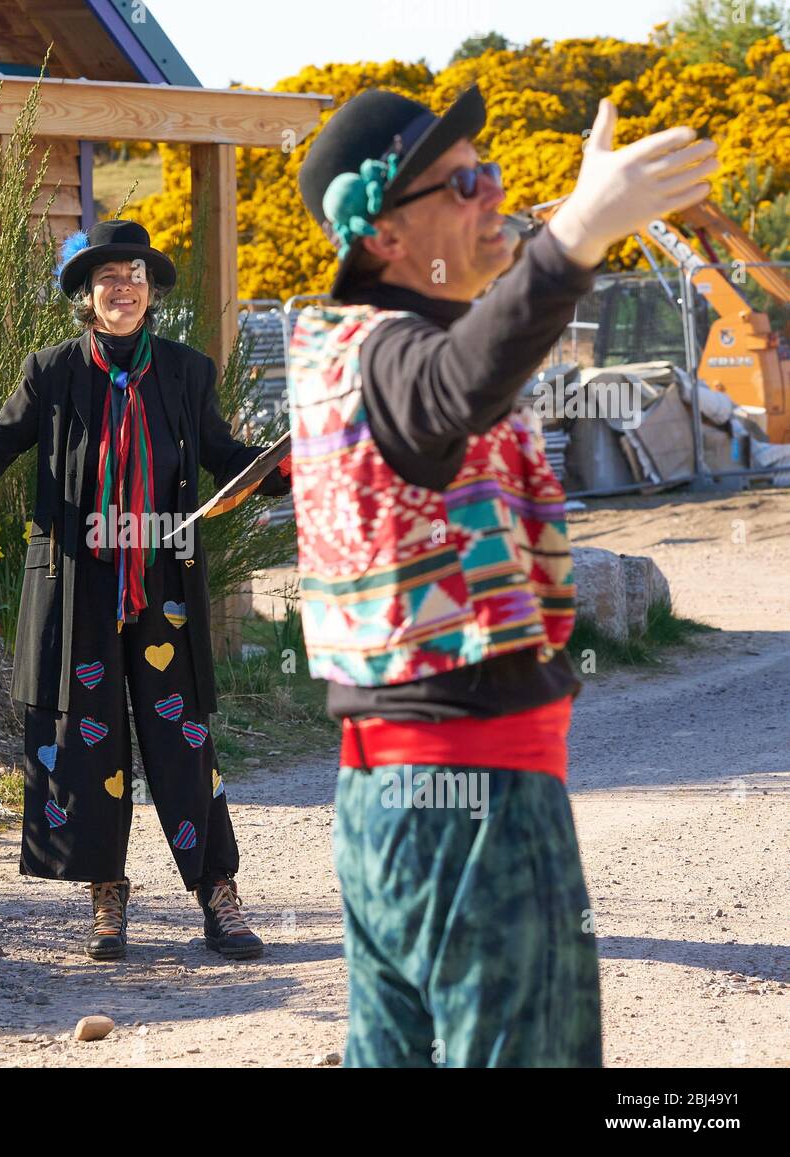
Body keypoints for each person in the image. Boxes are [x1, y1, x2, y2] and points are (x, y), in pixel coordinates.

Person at [287, 85, 716, 1065]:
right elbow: (450, 390)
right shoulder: (390, 354)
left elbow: (469, 370)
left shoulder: (376, 346)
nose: (495, 194)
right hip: (464, 794)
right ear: (386, 236)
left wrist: (577, 233)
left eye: (492, 173)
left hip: (412, 795)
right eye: (465, 180)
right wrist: (574, 236)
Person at [0, 219, 292, 961]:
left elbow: (223, 456)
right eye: (109, 278)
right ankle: (106, 899)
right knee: (89, 744)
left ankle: (218, 895)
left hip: (163, 586)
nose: (124, 288)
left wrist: (285, 467)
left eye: (136, 277)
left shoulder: (187, 372)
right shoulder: (53, 370)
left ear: (151, 293)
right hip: (81, 586)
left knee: (183, 740)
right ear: (87, 296)